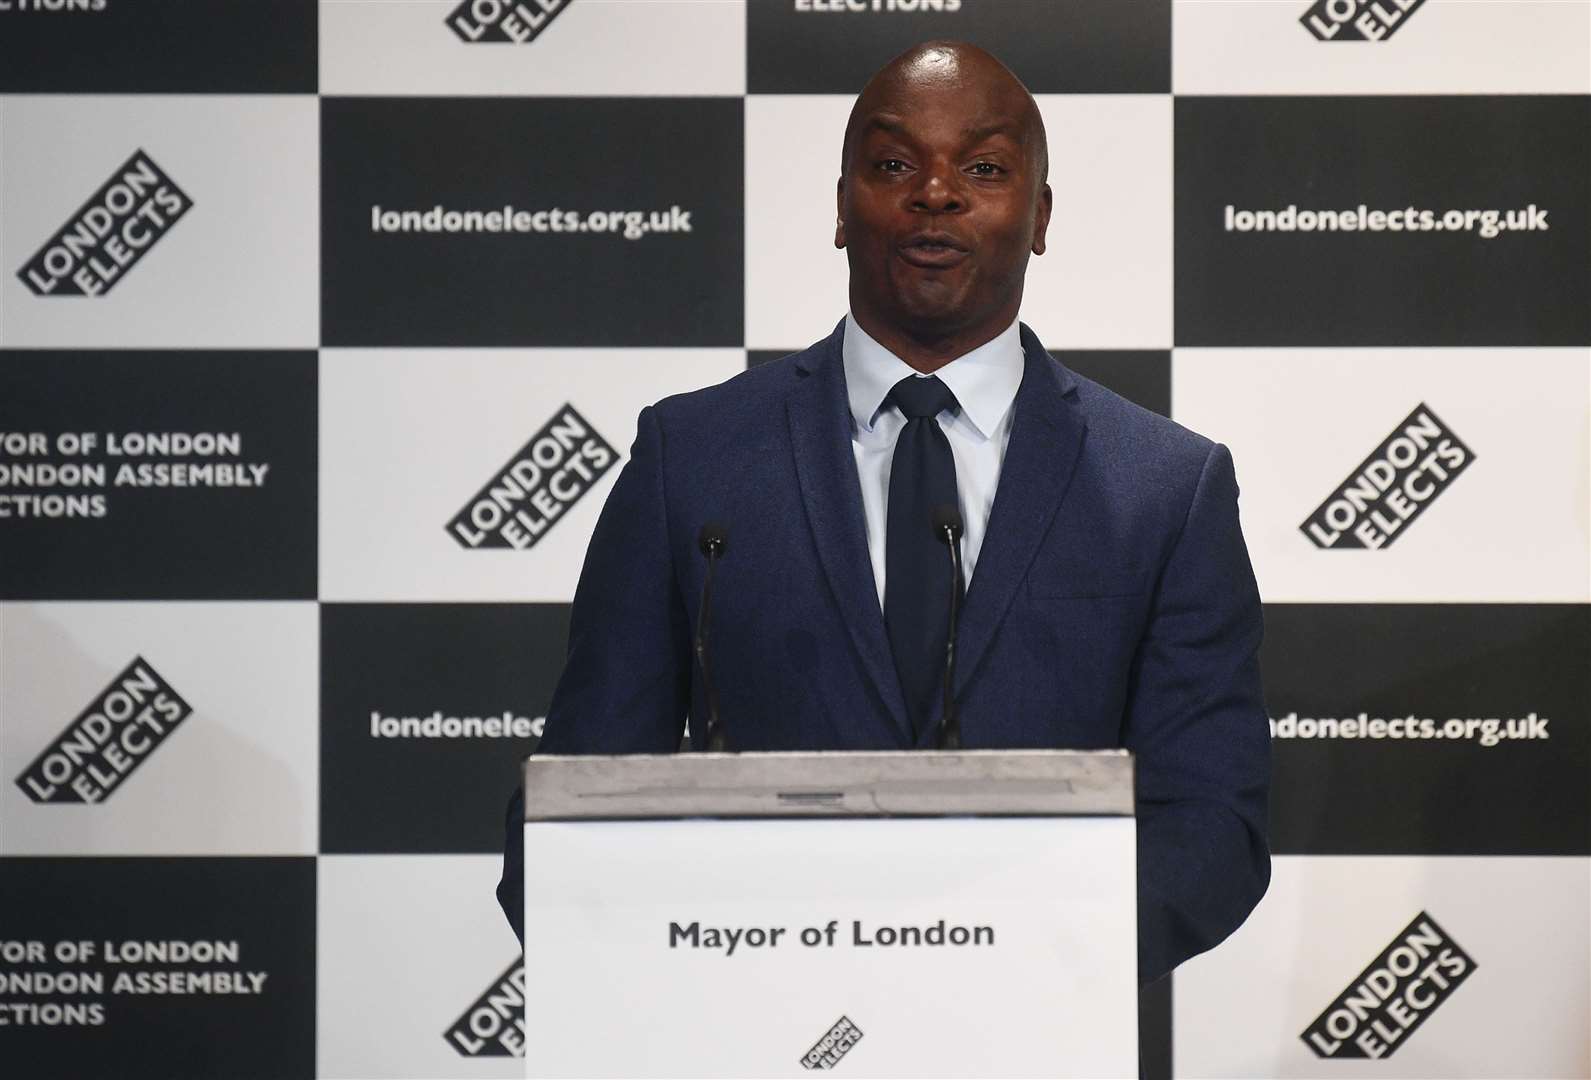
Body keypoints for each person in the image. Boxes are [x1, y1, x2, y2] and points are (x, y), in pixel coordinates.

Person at [498, 40, 1270, 986]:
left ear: (1039, 217)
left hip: (1031, 1030)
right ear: (838, 206)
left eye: (983, 168)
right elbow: (576, 802)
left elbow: (1212, 825)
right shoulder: (689, 459)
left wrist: (990, 964)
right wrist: (715, 964)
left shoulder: (1165, 486)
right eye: (894, 164)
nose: (935, 193)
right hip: (749, 1023)